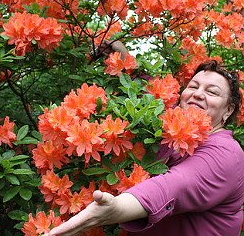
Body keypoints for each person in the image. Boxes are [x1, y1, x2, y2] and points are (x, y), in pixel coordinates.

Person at [43, 53, 244, 236]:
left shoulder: (227, 154)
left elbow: (172, 186)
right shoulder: (170, 128)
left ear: (228, 111)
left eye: (212, 92)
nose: (198, 94)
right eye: (193, 86)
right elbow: (146, 84)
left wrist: (117, 209)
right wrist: (118, 50)